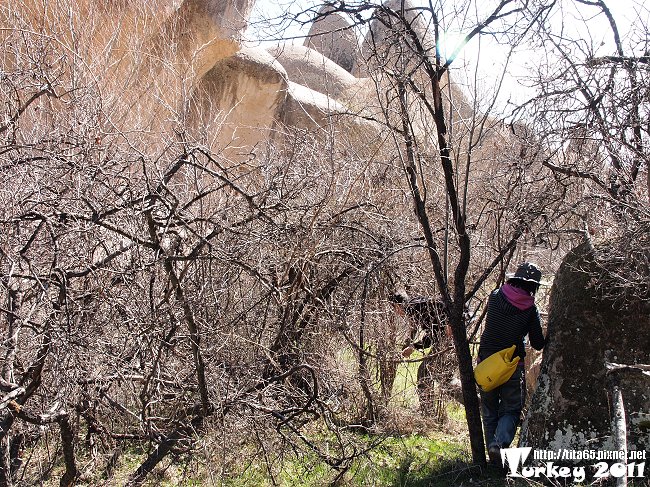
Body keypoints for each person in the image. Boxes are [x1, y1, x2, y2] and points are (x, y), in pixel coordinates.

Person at [478, 262, 547, 464]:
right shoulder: (531, 309)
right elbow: (538, 343)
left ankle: (493, 458)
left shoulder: (494, 296)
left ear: (514, 278)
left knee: (489, 410)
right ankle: (498, 445)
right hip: (511, 367)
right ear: (534, 286)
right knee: (511, 410)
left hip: (486, 364)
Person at [390, 292, 452, 414]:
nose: (397, 313)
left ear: (397, 305)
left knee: (424, 373)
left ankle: (427, 412)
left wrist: (414, 346)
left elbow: (434, 335)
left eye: (394, 308)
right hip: (454, 331)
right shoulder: (417, 304)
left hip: (452, 334)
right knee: (438, 374)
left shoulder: (415, 309)